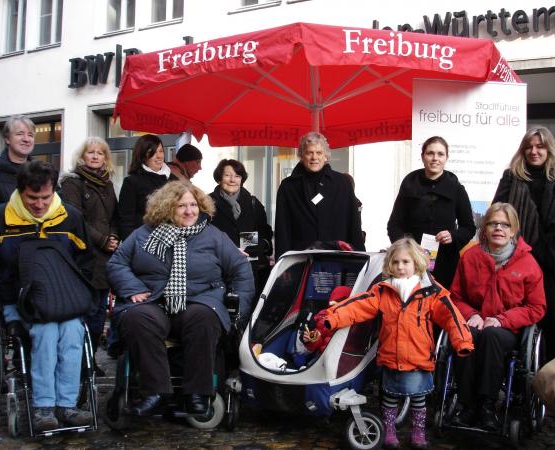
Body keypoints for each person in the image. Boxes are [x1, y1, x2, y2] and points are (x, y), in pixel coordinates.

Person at [107, 181, 254, 417]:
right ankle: (154, 392)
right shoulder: (143, 234)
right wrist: (131, 287)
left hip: (200, 300)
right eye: (181, 206)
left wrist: (238, 312)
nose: (189, 211)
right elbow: (116, 263)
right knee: (137, 318)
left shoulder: (213, 235)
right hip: (153, 301)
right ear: (166, 208)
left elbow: (240, 270)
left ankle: (197, 393)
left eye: (193, 205)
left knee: (205, 318)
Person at [315, 237, 473, 449]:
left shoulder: (431, 292)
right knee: (389, 397)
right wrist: (332, 318)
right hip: (391, 356)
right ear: (390, 264)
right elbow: (357, 306)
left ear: (416, 263)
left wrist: (462, 341)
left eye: (405, 262)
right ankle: (389, 430)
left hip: (419, 357)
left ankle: (417, 431)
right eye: (396, 262)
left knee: (419, 399)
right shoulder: (383, 290)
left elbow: (451, 316)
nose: (400, 267)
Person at [0, 161, 94, 431]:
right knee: (45, 334)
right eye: (32, 198)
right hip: (18, 301)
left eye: (45, 197)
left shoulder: (70, 217)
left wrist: (78, 293)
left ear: (53, 192)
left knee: (73, 333)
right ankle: (44, 406)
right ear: (20, 191)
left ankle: (67, 404)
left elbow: (86, 261)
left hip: (63, 299)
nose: (39, 204)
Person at [450, 202, 546, 430]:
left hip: (506, 329)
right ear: (484, 228)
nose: (498, 229)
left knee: (492, 336)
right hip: (475, 322)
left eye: (505, 224)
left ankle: (487, 405)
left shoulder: (527, 262)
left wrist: (503, 319)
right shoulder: (470, 257)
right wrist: (472, 314)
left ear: (513, 230)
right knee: (466, 336)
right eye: (493, 223)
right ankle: (467, 405)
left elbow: (536, 307)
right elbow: (454, 297)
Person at [493, 126, 555, 362]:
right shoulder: (511, 177)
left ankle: (548, 381)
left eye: (540, 146)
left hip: (549, 263)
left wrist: (534, 258)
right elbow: (498, 216)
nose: (534, 151)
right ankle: (512, 380)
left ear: (549, 149)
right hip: (512, 260)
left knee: (551, 322)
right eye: (529, 146)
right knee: (509, 317)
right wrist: (515, 255)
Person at [59, 137, 120, 374]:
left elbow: (114, 217)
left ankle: (90, 359)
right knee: (84, 313)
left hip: (105, 259)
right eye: (90, 152)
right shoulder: (72, 183)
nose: (95, 156)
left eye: (100, 153)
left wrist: (113, 237)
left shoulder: (107, 184)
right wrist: (103, 240)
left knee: (97, 316)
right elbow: (76, 219)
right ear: (82, 156)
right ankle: (78, 362)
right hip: (83, 255)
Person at [387, 136, 476, 288]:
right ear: (422, 157)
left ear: (446, 158)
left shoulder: (456, 189)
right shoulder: (409, 185)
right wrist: (407, 247)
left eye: (440, 154)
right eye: (430, 153)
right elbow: (394, 225)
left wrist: (452, 236)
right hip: (410, 263)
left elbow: (469, 228)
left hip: (445, 264)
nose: (435, 158)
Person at [274, 131, 365, 259]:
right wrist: (282, 262)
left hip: (338, 258)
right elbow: (282, 229)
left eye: (319, 153)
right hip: (301, 259)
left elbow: (354, 223)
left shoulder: (342, 183)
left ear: (326, 156)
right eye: (309, 152)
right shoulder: (288, 186)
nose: (314, 157)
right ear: (301, 156)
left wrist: (360, 256)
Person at [210, 159, 273, 297]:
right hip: (217, 269)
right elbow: (204, 236)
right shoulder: (207, 203)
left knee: (247, 310)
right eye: (227, 175)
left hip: (248, 269)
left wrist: (244, 247)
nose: (232, 180)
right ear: (219, 178)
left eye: (237, 176)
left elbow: (264, 233)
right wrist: (229, 249)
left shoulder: (253, 203)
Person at [118, 134, 175, 240]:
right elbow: (125, 221)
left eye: (161, 151)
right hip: (143, 242)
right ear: (142, 155)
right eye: (152, 152)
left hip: (171, 242)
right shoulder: (131, 182)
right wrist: (133, 246)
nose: (159, 156)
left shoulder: (173, 180)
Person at [0, 115, 35, 209]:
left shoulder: (42, 170)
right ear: (7, 139)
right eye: (20, 134)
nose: (26, 139)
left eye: (30, 135)